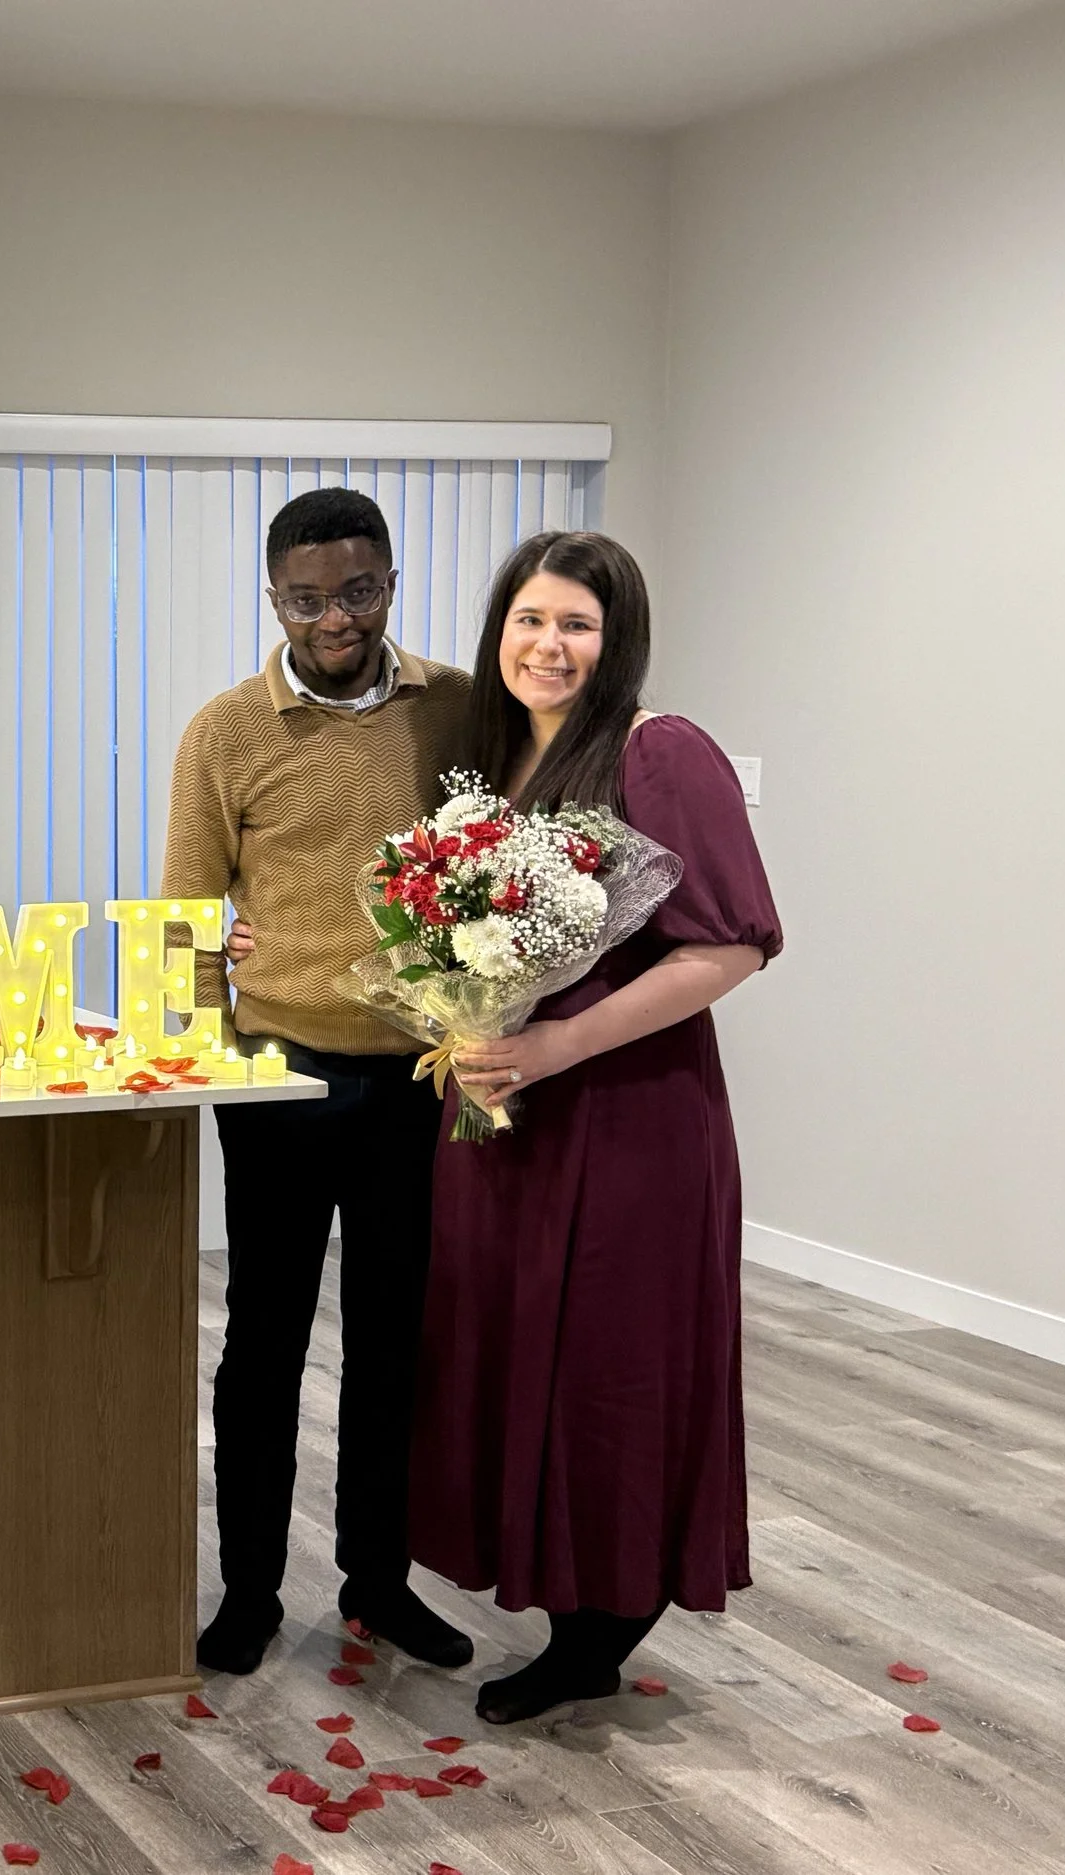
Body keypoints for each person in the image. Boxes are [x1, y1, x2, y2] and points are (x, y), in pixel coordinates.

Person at [407, 530, 781, 1723]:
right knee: (527, 1351)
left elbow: (730, 944)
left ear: (616, 641)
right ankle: (562, 1588)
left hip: (627, 1120)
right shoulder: (498, 762)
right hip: (515, 1111)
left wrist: (560, 1043)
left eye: (576, 624)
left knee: (612, 1364)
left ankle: (602, 1625)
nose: (548, 646)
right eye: (529, 620)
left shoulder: (657, 752)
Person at [162, 487, 476, 1676]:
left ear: (389, 582)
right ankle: (247, 1591)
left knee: (396, 1341)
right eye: (306, 599)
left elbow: (499, 861)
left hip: (421, 1076)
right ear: (273, 599)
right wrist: (205, 1057)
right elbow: (186, 916)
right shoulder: (225, 732)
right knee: (265, 1345)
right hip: (279, 1079)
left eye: (356, 591)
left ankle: (376, 1583)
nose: (333, 619)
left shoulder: (455, 709)